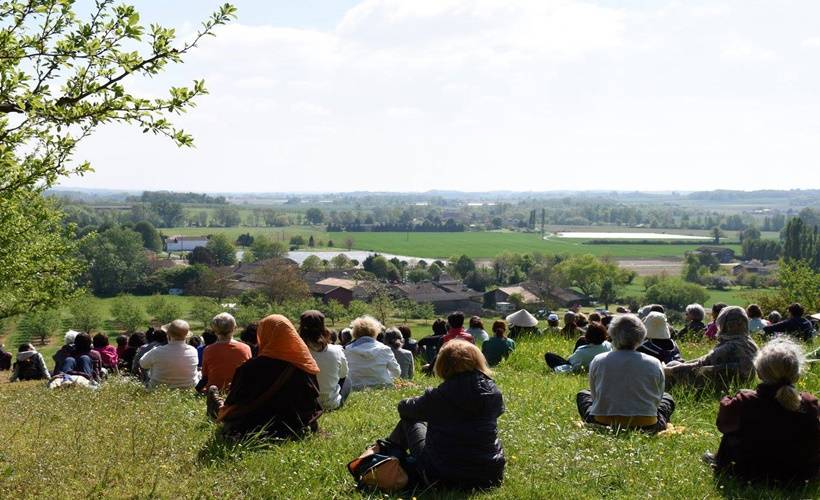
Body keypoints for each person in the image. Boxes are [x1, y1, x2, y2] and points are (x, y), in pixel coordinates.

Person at [380, 340, 505, 489]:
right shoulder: (493, 392)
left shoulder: (439, 396)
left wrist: (419, 400)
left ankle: (385, 455)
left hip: (442, 476)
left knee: (411, 420)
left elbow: (404, 408)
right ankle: (387, 454)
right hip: (490, 475)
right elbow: (498, 411)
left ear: (443, 365)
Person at [703, 338, 819, 483]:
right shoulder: (809, 403)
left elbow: (723, 424)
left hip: (747, 472)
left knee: (732, 432)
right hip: (801, 475)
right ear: (797, 375)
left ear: (759, 373)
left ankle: (719, 460)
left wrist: (735, 397)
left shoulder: (744, 401)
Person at [207, 314, 323, 440]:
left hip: (253, 428)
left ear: (263, 334)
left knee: (225, 407)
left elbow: (235, 401)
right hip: (295, 427)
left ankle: (216, 406)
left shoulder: (249, 369)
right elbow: (312, 402)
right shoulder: (305, 366)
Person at [576, 314, 675, 432]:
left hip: (603, 421)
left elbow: (595, 396)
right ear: (641, 336)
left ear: (612, 334)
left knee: (583, 394)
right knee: (667, 397)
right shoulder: (654, 362)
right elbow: (658, 398)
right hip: (646, 423)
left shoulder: (598, 360)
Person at [665, 306, 758, 391]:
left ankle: (664, 396)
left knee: (672, 364)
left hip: (720, 385)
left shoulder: (729, 347)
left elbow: (699, 364)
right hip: (740, 383)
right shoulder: (751, 343)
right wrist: (684, 363)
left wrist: (668, 370)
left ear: (725, 324)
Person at [299, 310, 350, 410]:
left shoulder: (297, 352)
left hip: (306, 406)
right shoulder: (336, 350)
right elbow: (343, 374)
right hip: (330, 404)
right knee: (347, 380)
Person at [198, 313, 252, 392]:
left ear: (215, 331)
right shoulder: (246, 348)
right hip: (238, 390)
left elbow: (205, 375)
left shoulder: (208, 349)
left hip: (214, 389)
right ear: (235, 328)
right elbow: (248, 372)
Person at [139, 320, 199, 389]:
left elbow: (142, 364)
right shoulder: (193, 350)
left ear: (168, 335)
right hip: (188, 390)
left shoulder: (157, 351)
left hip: (159, 390)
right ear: (186, 336)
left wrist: (153, 350)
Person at [345, 315, 401, 390]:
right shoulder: (385, 349)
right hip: (382, 387)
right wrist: (387, 378)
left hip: (355, 387)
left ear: (355, 332)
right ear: (375, 331)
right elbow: (396, 372)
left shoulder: (347, 350)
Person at [545, 322, 611, 373]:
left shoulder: (581, 352)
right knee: (581, 340)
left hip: (577, 365)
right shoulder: (609, 345)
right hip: (598, 364)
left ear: (588, 336)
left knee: (548, 355)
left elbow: (570, 361)